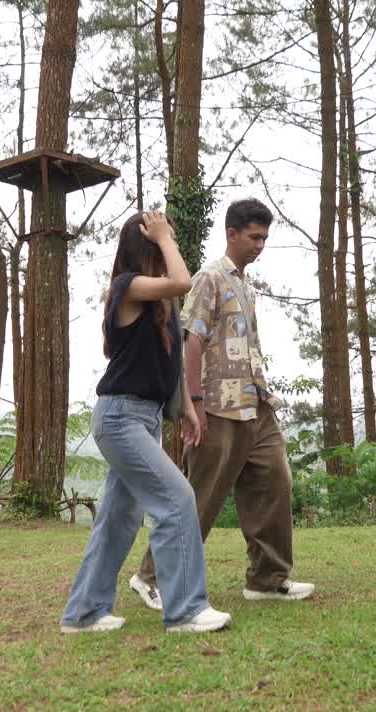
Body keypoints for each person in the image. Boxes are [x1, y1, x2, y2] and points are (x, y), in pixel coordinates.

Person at [128, 199, 315, 611]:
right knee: (200, 497)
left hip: (256, 404)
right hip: (216, 407)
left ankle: (268, 579)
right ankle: (150, 577)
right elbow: (191, 341)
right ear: (231, 234)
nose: (260, 245)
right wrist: (193, 402)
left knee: (275, 481)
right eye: (254, 237)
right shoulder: (210, 277)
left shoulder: (244, 284)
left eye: (264, 238)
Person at [60, 211, 231, 634]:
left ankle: (84, 613)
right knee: (177, 500)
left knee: (119, 518)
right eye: (163, 240)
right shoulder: (127, 287)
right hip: (120, 417)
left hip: (144, 418)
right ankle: (186, 610)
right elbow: (182, 281)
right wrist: (164, 236)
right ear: (148, 247)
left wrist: (186, 407)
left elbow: (168, 360)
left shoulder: (159, 304)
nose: (171, 242)